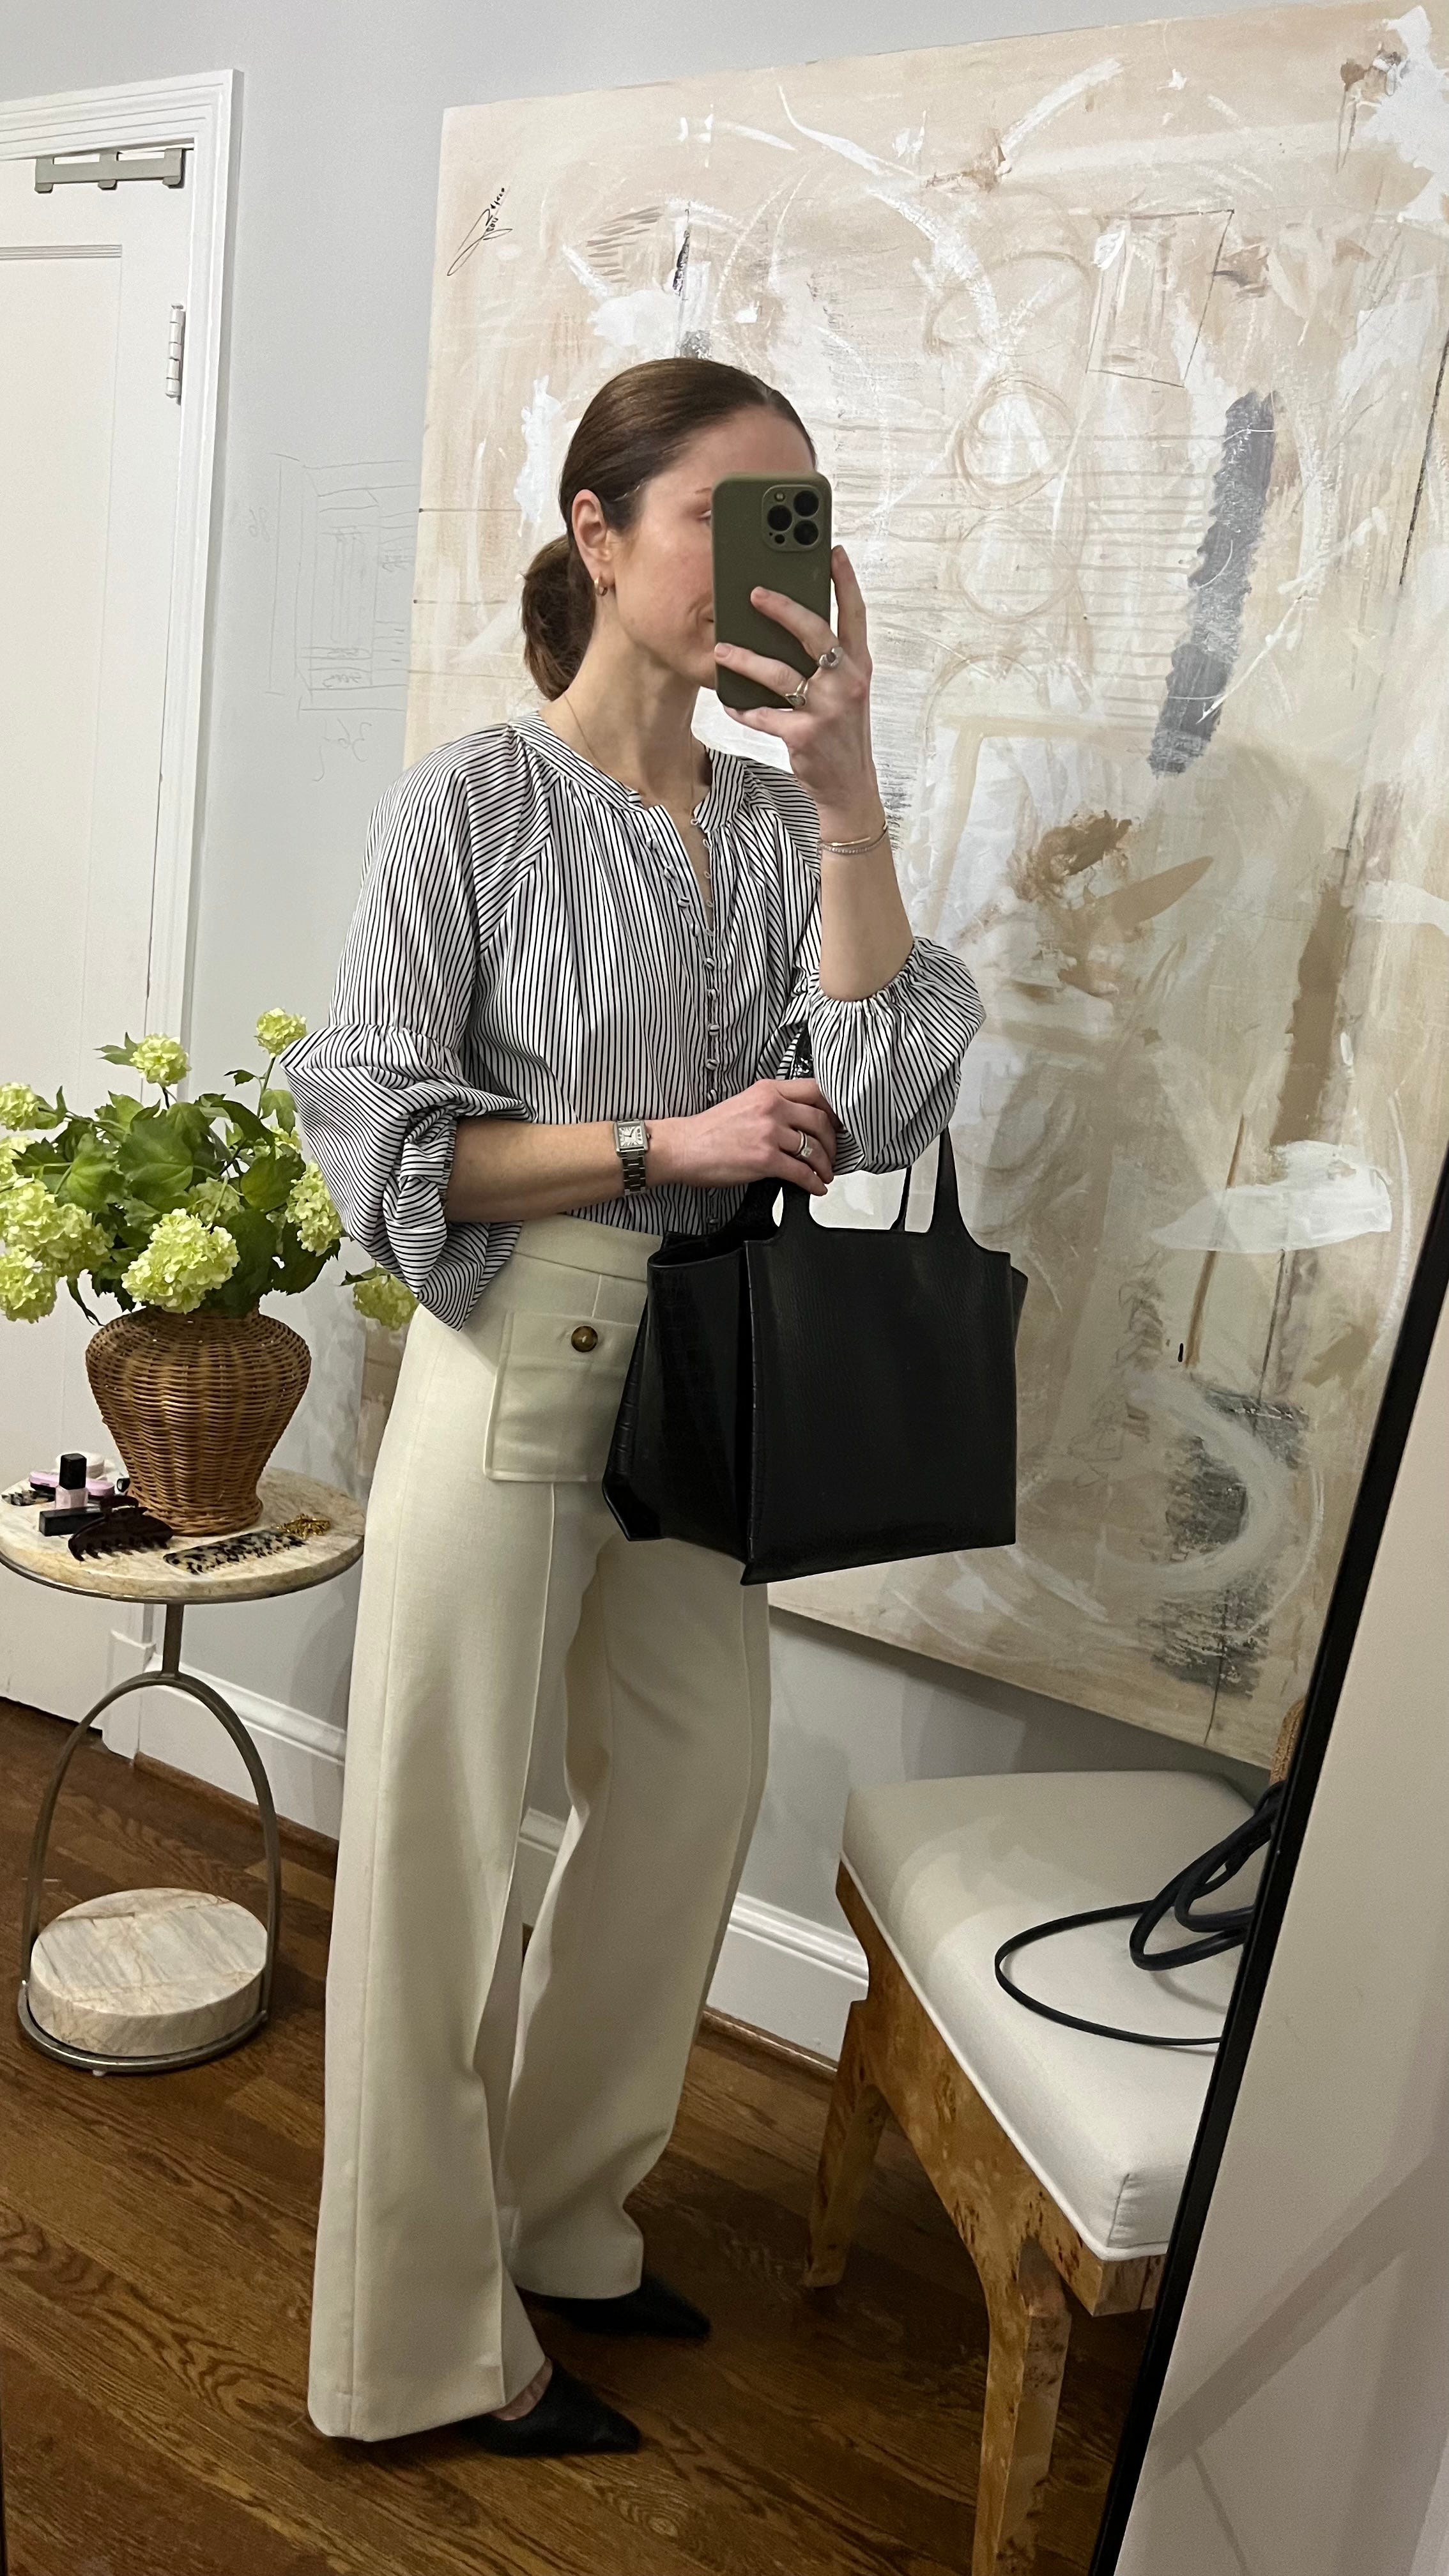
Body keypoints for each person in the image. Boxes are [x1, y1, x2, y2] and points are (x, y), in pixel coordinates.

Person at [284, 355, 985, 2459]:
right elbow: (373, 1131)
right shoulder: (472, 805)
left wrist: (846, 791)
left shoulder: (773, 829)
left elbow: (876, 1093)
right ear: (598, 534)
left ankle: (564, 2221)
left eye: (801, 523)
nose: (773, 565)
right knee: (439, 1852)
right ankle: (412, 2350)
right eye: (724, 516)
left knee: (683, 1804)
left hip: (711, 1365)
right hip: (523, 1345)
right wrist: (661, 1144)